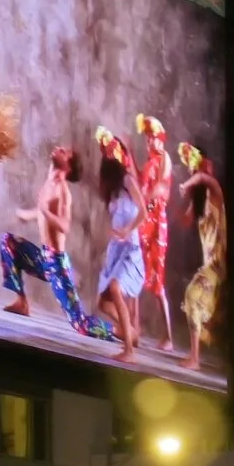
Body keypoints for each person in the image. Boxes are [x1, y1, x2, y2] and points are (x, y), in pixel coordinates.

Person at [0, 145, 117, 341]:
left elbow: (64, 226)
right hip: (43, 257)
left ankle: (118, 330)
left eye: (65, 152)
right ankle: (21, 302)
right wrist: (28, 215)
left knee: (80, 324)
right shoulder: (49, 178)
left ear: (68, 167)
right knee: (8, 242)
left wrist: (44, 211)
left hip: (56, 264)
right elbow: (43, 211)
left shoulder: (63, 191)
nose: (60, 148)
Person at [92, 128, 147, 362]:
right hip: (115, 250)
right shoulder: (113, 191)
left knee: (115, 289)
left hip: (130, 249)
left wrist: (128, 229)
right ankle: (131, 333)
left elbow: (143, 211)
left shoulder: (127, 180)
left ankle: (129, 350)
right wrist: (114, 232)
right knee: (102, 303)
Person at [174, 142, 226, 372]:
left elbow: (205, 180)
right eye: (203, 165)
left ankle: (194, 359)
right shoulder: (201, 201)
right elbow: (184, 221)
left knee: (193, 296)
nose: (209, 168)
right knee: (200, 307)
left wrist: (190, 181)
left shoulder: (215, 193)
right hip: (211, 265)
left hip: (219, 266)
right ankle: (198, 352)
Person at [133, 114, 175, 349]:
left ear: (160, 139)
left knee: (158, 280)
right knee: (136, 268)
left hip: (157, 222)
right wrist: (128, 152)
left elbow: (160, 186)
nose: (149, 143)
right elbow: (141, 180)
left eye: (152, 139)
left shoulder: (164, 158)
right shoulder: (149, 161)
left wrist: (146, 198)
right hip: (146, 219)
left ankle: (168, 336)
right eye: (147, 139)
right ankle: (134, 327)